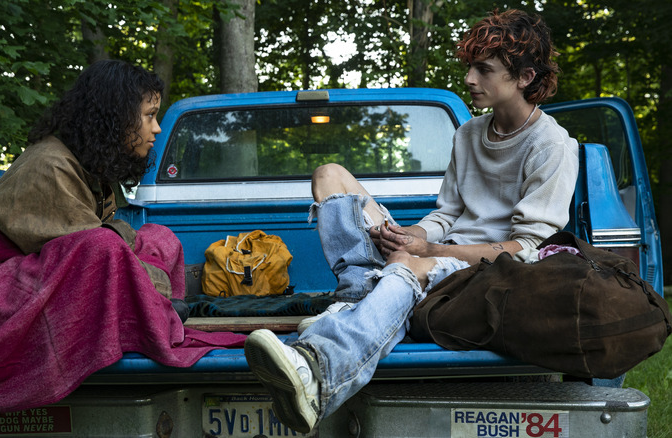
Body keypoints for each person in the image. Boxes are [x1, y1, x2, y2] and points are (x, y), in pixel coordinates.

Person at [244, 9, 580, 433]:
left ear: (526, 77)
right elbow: (447, 213)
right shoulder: (469, 134)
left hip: (490, 271)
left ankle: (318, 370)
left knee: (411, 264)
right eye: (469, 67)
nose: (470, 79)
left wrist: (429, 251)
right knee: (329, 175)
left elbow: (527, 247)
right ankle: (363, 295)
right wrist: (411, 234)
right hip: (436, 255)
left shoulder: (553, 145)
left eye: (484, 69)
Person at [0, 59, 245, 411]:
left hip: (36, 280)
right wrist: (151, 290)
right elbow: (97, 251)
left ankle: (151, 316)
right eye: (148, 116)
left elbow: (116, 239)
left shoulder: (89, 167)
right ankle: (153, 317)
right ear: (116, 118)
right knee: (102, 248)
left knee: (158, 236)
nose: (156, 129)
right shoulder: (50, 166)